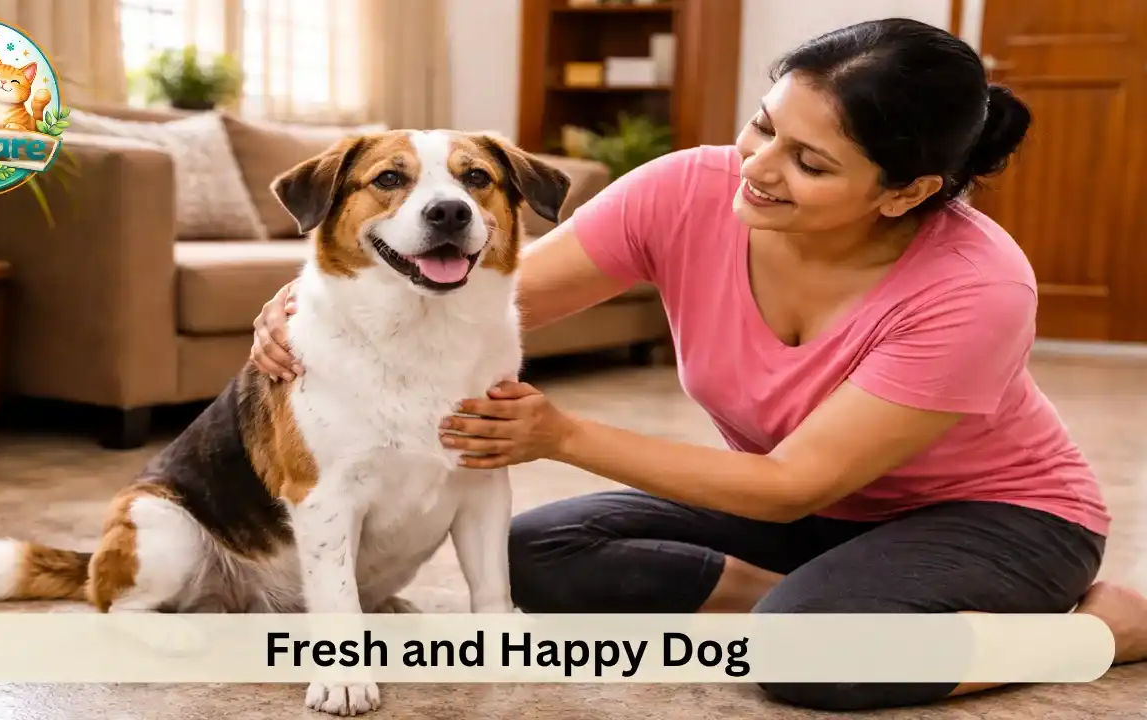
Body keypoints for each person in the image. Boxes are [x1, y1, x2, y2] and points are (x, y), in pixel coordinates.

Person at [250, 17, 1147, 712]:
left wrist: (560, 434)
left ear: (905, 191)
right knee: (541, 553)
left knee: (807, 656)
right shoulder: (688, 189)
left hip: (993, 518)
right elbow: (492, 288)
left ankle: (1096, 629)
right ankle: (824, 598)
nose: (756, 168)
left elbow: (794, 483)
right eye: (762, 127)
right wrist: (302, 310)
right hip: (819, 514)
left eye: (809, 162)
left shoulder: (977, 286)